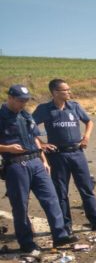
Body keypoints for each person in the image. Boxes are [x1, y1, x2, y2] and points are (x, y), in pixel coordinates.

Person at [0, 85, 78, 252]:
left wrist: (44, 160)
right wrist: (7, 148)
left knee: (51, 199)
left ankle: (60, 236)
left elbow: (34, 137)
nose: (23, 104)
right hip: (16, 164)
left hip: (36, 162)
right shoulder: (1, 116)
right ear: (10, 98)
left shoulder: (25, 114)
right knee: (20, 206)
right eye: (20, 100)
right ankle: (27, 243)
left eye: (25, 101)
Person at [32, 79, 96, 234]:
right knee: (61, 192)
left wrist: (86, 137)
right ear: (54, 92)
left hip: (77, 153)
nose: (69, 92)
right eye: (65, 90)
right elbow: (29, 128)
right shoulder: (44, 109)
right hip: (57, 156)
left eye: (68, 89)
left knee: (86, 189)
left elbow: (89, 122)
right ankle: (66, 226)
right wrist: (42, 144)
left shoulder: (74, 106)